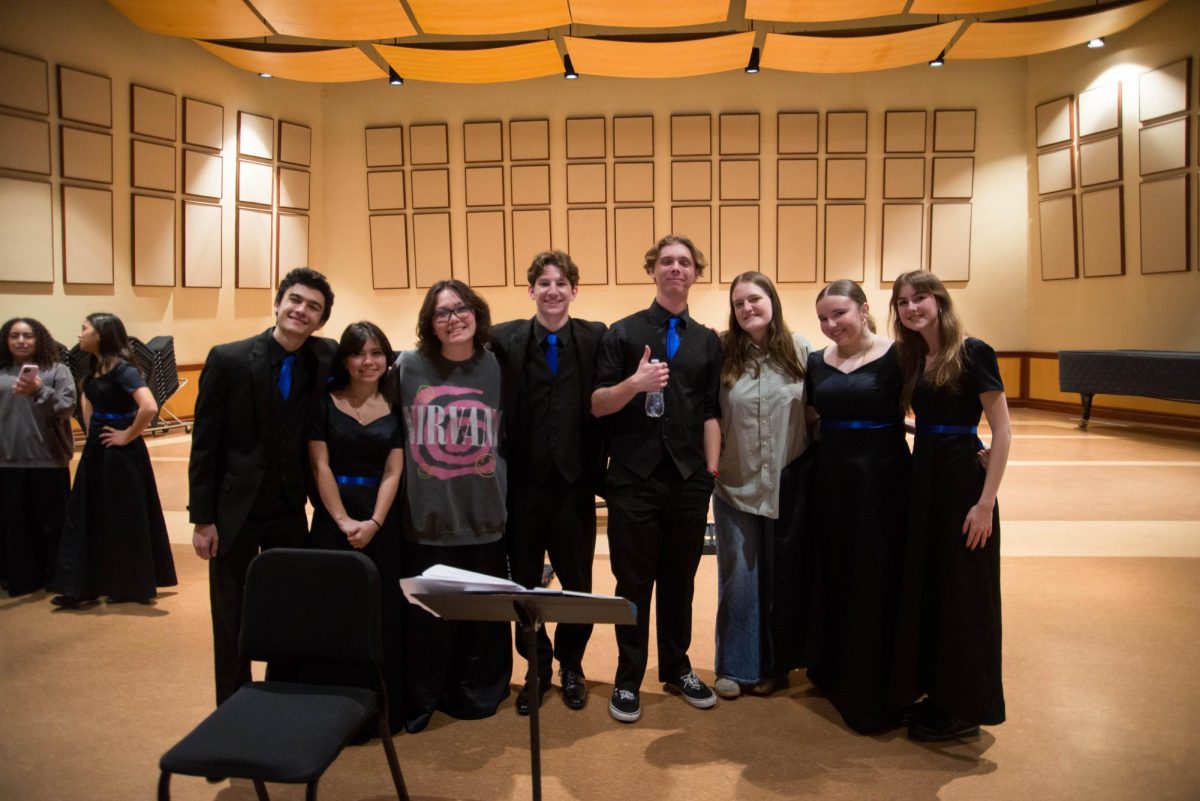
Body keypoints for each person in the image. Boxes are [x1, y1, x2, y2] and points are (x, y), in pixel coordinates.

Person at [189, 267, 336, 705]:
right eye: (295, 300)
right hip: (235, 512)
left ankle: (281, 693)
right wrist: (203, 519)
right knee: (231, 613)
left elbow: (378, 356)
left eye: (313, 307)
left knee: (288, 606)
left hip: (291, 508)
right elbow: (205, 445)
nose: (301, 310)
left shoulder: (323, 357)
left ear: (321, 320)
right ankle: (233, 702)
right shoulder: (228, 359)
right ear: (277, 304)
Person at [592, 234, 723, 723]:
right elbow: (598, 403)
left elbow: (711, 411)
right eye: (666, 261)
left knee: (679, 581)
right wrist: (635, 384)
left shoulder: (707, 340)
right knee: (632, 582)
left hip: (689, 479)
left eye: (684, 262)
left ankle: (676, 666)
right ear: (652, 270)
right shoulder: (622, 333)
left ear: (694, 273)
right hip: (633, 478)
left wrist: (710, 471)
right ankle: (628, 678)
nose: (675, 269)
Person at [889, 270, 1010, 741]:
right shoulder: (918, 356)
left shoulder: (972, 351)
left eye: (920, 298)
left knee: (964, 593)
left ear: (939, 301)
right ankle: (938, 694)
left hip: (962, 485)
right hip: (926, 479)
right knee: (932, 586)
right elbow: (935, 421)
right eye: (902, 302)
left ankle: (967, 706)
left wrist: (985, 503)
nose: (911, 307)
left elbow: (1001, 429)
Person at [491, 251, 607, 714]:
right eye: (544, 283)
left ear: (574, 291)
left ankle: (572, 665)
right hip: (522, 487)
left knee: (578, 584)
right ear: (531, 291)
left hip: (575, 485)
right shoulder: (505, 339)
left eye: (561, 283)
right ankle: (535, 667)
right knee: (523, 586)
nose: (553, 290)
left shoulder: (595, 337)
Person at [392, 279, 511, 733]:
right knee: (428, 624)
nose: (453, 318)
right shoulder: (406, 367)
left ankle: (478, 694)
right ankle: (425, 697)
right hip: (427, 518)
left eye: (461, 309)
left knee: (482, 621)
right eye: (442, 312)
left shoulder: (498, 367)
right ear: (430, 323)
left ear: (477, 314)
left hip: (484, 515)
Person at [805, 279, 909, 733]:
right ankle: (833, 669)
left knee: (877, 577)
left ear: (864, 310)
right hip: (831, 483)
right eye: (823, 318)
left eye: (839, 314)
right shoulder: (815, 362)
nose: (831, 325)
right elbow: (810, 422)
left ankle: (875, 682)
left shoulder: (900, 356)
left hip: (884, 483)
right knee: (834, 573)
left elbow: (935, 408)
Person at [712, 273, 815, 699]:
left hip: (787, 485)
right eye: (739, 303)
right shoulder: (722, 355)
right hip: (736, 485)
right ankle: (736, 667)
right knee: (739, 578)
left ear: (772, 300)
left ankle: (775, 666)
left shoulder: (802, 351)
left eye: (755, 299)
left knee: (782, 578)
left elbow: (822, 411)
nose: (747, 308)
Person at [307, 320, 405, 727]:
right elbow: (320, 465)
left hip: (382, 520)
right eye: (359, 353)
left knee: (382, 610)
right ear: (345, 359)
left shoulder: (397, 405)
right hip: (335, 518)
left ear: (387, 358)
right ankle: (332, 701)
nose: (369, 361)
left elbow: (393, 471)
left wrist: (375, 522)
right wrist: (345, 521)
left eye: (377, 352)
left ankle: (380, 703)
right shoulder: (325, 403)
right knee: (333, 608)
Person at [52, 313, 176, 607]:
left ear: (102, 335)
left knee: (122, 516)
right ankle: (84, 584)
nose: (80, 334)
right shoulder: (95, 367)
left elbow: (148, 407)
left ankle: (128, 584)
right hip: (98, 450)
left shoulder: (123, 369)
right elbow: (89, 402)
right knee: (88, 514)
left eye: (85, 329)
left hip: (121, 455)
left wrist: (126, 435)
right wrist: (93, 428)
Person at [0, 318, 76, 597]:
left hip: (48, 460)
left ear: (39, 339)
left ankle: (55, 577)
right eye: (14, 336)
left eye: (27, 336)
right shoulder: (1, 372)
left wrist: (39, 390)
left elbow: (67, 408)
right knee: (13, 525)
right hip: (6, 462)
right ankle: (18, 578)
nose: (21, 341)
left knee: (51, 525)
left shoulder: (57, 370)